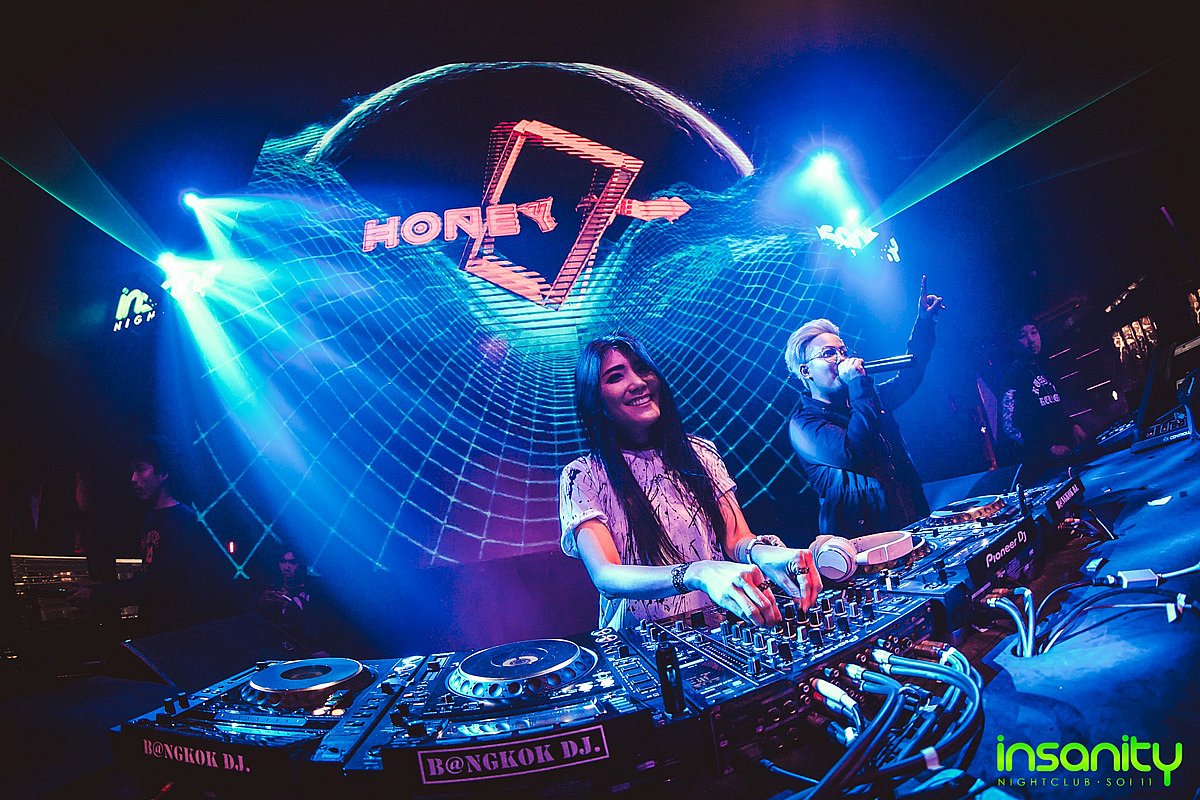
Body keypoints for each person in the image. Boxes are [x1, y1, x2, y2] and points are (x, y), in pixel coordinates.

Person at [559, 334, 821, 632]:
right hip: (640, 644)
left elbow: (736, 539)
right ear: (595, 400)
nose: (638, 382)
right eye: (616, 377)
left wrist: (769, 555)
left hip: (716, 633)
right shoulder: (582, 475)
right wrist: (697, 573)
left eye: (642, 369)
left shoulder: (701, 453)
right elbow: (607, 576)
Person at [784, 276, 944, 537]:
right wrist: (859, 386)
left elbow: (909, 378)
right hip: (866, 544)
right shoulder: (804, 424)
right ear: (806, 371)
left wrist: (925, 323)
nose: (841, 358)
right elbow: (855, 452)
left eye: (843, 351)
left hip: (912, 524)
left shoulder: (865, 399)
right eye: (828, 353)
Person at [70, 436, 233, 635]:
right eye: (132, 471)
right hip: (157, 630)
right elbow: (152, 577)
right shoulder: (151, 517)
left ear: (163, 473)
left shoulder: (183, 521)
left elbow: (159, 583)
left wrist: (99, 595)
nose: (133, 478)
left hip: (177, 633)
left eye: (140, 469)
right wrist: (101, 588)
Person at [1000, 322, 1087, 485]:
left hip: (1066, 460)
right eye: (1023, 335)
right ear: (1014, 342)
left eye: (1034, 332)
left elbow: (1052, 410)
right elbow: (1010, 427)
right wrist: (1048, 449)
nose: (1031, 339)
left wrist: (1073, 425)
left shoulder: (1042, 368)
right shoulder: (1013, 376)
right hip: (1044, 472)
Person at [253, 545, 336, 657]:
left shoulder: (317, 590)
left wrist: (289, 606)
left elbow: (318, 627)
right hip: (278, 651)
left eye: (292, 563)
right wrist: (260, 603)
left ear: (301, 564)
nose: (287, 567)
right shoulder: (271, 586)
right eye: (283, 562)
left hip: (309, 649)